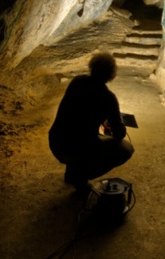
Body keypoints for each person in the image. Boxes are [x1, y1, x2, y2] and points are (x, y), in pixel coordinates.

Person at [49, 51, 134, 194]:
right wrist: (111, 121)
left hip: (57, 141)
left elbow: (77, 114)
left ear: (92, 67)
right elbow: (119, 134)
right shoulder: (108, 98)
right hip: (75, 149)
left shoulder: (77, 81)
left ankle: (71, 174)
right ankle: (80, 177)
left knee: (78, 133)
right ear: (111, 74)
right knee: (126, 149)